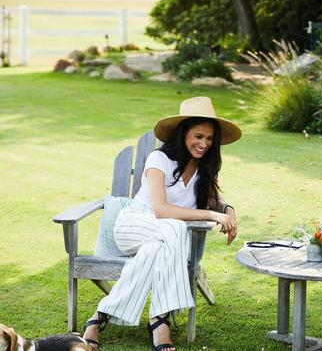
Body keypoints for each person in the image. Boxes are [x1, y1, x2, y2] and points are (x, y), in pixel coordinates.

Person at [81, 96, 242, 351]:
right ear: (183, 132)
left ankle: (98, 318)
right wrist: (213, 216)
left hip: (164, 240)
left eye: (210, 139)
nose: (204, 144)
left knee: (154, 251)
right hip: (134, 226)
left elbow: (215, 197)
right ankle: (160, 319)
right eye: (198, 136)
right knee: (176, 227)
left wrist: (228, 210)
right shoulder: (159, 159)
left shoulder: (202, 167)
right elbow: (161, 210)